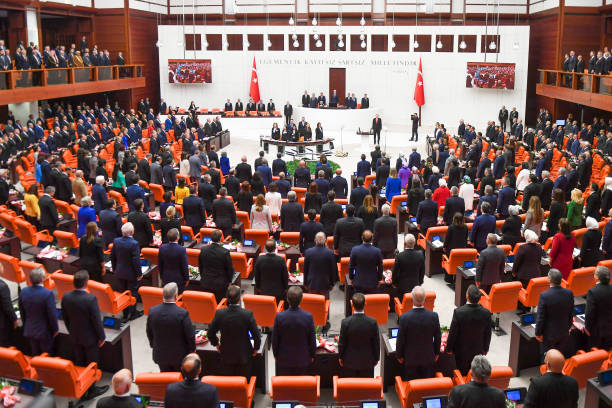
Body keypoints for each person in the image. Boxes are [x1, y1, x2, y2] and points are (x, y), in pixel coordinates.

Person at [208, 285, 261, 377]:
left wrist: (216, 344)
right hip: (244, 355)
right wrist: (256, 348)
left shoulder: (220, 313)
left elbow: (210, 333)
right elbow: (256, 335)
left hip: (225, 354)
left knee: (228, 383)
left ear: (227, 298)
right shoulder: (247, 314)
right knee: (243, 382)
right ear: (239, 298)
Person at [61, 270, 106, 367]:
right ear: (87, 283)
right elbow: (96, 320)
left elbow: (65, 317)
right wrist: (102, 337)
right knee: (92, 364)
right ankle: (91, 382)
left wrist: (71, 330)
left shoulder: (66, 297)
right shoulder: (91, 299)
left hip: (74, 335)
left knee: (79, 361)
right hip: (90, 338)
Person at [147, 283, 195, 372]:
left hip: (160, 354)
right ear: (176, 296)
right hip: (179, 356)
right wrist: (192, 349)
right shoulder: (183, 313)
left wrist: (153, 345)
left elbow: (149, 332)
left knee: (165, 379)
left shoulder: (152, 311)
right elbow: (190, 335)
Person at [396, 286, 441, 380]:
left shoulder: (404, 318)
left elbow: (400, 339)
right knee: (426, 388)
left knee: (413, 387)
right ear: (424, 300)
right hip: (428, 358)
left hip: (410, 359)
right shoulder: (434, 316)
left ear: (412, 299)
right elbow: (438, 337)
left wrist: (399, 355)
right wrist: (436, 353)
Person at [446, 285, 492, 375]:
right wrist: (486, 349)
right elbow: (488, 333)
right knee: (476, 373)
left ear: (467, 296)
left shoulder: (458, 312)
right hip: (478, 350)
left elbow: (453, 333)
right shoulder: (486, 313)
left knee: (462, 373)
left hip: (461, 352)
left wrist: (449, 348)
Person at [272, 286, 316, 375]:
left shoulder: (279, 317)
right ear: (302, 299)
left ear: (287, 299)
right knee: (300, 387)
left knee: (285, 386)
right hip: (303, 359)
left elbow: (275, 340)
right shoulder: (308, 317)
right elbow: (312, 340)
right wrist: (312, 355)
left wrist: (276, 355)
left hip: (283, 359)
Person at [338, 292, 380, 378]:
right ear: (365, 304)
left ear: (352, 305)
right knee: (366, 387)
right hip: (367, 361)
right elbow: (376, 343)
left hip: (349, 361)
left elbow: (342, 343)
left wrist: (340, 357)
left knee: (351, 387)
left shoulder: (345, 322)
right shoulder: (372, 322)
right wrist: (376, 358)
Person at [18, 268, 58, 355]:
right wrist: (55, 329)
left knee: (35, 355)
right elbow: (52, 314)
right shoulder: (47, 294)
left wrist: (26, 325)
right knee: (46, 358)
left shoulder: (23, 292)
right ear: (43, 278)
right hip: (45, 332)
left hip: (30, 330)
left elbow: (22, 312)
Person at [535, 269, 574, 354]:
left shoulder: (544, 295)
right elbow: (571, 312)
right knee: (559, 357)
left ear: (549, 279)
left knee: (547, 359)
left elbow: (541, 317)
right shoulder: (569, 293)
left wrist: (538, 333)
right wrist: (568, 327)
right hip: (564, 332)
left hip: (549, 335)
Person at [110, 222, 143, 321]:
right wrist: (139, 274)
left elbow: (113, 257)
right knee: (133, 293)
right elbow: (135, 261)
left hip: (120, 271)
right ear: (132, 232)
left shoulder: (116, 241)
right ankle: (132, 313)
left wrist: (114, 268)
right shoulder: (134, 244)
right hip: (131, 273)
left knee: (123, 292)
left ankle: (125, 313)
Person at [199, 229, 234, 302]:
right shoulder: (225, 252)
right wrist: (230, 280)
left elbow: (200, 266)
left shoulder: (203, 250)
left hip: (206, 282)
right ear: (221, 238)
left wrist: (203, 276)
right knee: (220, 303)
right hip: (220, 284)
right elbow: (229, 269)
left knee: (207, 304)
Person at [585, 266, 612, 349]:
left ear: (597, 277)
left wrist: (587, 328)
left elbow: (590, 313)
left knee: (596, 354)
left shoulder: (592, 291)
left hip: (597, 331)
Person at [254, 239, 288, 304]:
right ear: (275, 248)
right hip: (279, 291)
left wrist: (258, 287)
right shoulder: (281, 260)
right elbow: (285, 276)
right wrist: (286, 288)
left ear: (265, 248)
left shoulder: (260, 259)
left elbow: (256, 275)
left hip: (264, 290)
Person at [304, 232, 336, 299]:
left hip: (312, 283)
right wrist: (332, 283)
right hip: (325, 284)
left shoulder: (308, 252)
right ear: (325, 241)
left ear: (315, 240)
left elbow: (305, 269)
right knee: (323, 304)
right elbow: (333, 270)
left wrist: (305, 283)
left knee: (312, 304)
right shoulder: (330, 253)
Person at [159, 228, 189, 293]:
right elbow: (184, 266)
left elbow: (160, 264)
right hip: (179, 280)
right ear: (178, 237)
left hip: (166, 277)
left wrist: (161, 277)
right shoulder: (181, 250)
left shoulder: (162, 248)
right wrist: (187, 279)